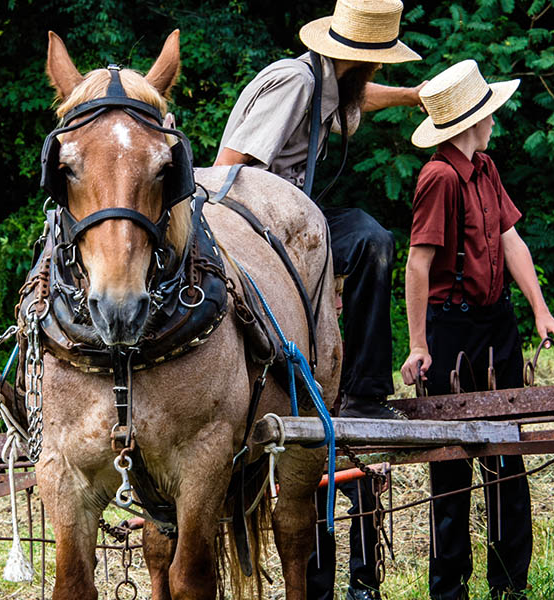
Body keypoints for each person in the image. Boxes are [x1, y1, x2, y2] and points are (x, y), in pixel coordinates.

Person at [214, 1, 423, 598]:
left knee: (364, 237)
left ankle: (357, 387)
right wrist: (289, 263)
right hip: (255, 226)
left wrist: (411, 98)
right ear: (354, 57)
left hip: (291, 226)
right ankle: (362, 391)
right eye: (373, 62)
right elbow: (229, 168)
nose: (373, 74)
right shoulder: (292, 85)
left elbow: (361, 103)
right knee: (371, 240)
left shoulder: (331, 87)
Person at [401, 59, 554, 600]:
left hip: (496, 325)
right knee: (451, 467)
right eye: (490, 112)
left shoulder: (486, 168)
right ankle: (449, 590)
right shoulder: (440, 176)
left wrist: (541, 311)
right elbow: (417, 264)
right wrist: (419, 344)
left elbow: (511, 242)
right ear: (473, 118)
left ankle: (509, 586)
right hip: (452, 332)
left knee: (507, 458)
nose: (496, 119)